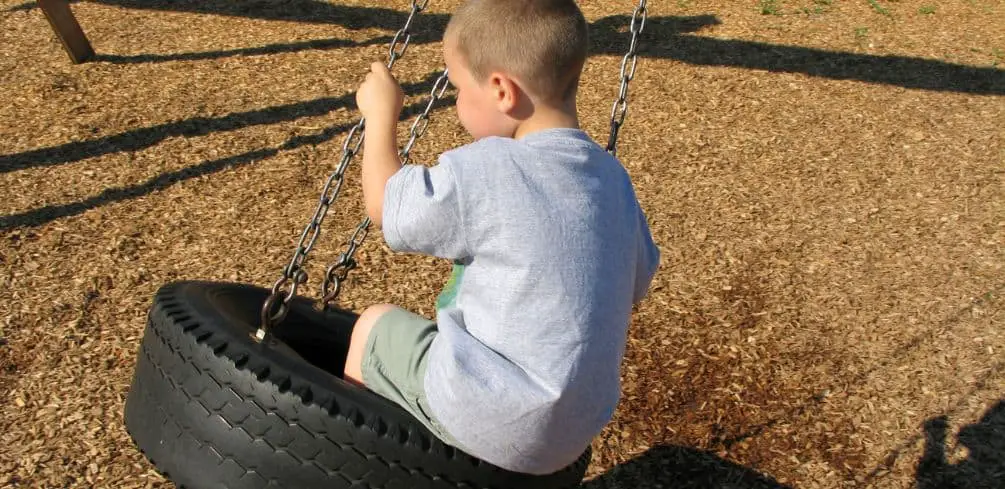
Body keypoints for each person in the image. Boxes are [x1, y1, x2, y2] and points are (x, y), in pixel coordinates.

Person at [343, 0, 659, 475]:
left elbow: (386, 207)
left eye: (456, 88)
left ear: (501, 91)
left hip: (488, 412)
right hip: (572, 437)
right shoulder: (614, 180)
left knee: (373, 324)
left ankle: (344, 457)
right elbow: (638, 280)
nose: (455, 104)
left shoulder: (489, 167)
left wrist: (380, 114)